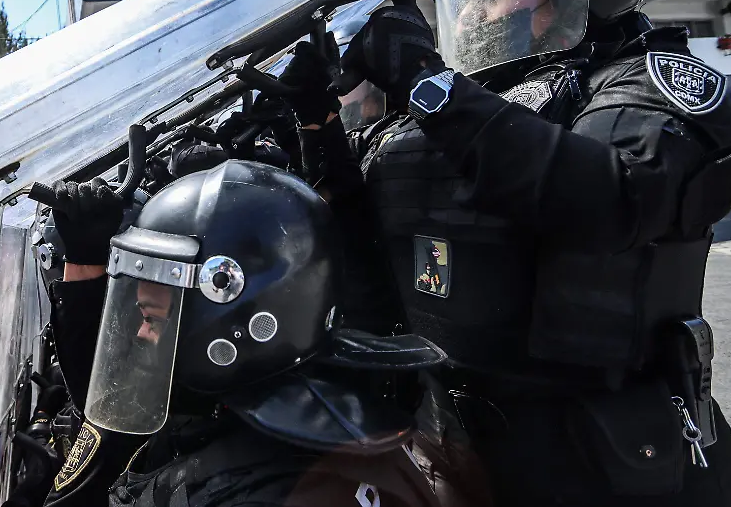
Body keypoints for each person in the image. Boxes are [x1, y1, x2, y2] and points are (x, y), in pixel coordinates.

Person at [282, 0, 731, 506]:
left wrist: (429, 85)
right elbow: (361, 245)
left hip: (620, 468)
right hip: (459, 455)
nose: (478, 14)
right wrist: (314, 125)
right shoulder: (448, 118)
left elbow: (605, 200)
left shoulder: (648, 85)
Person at [36, 165, 447, 507]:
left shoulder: (247, 491)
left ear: (229, 331)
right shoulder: (301, 411)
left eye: (152, 318)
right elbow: (120, 405)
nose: (140, 335)